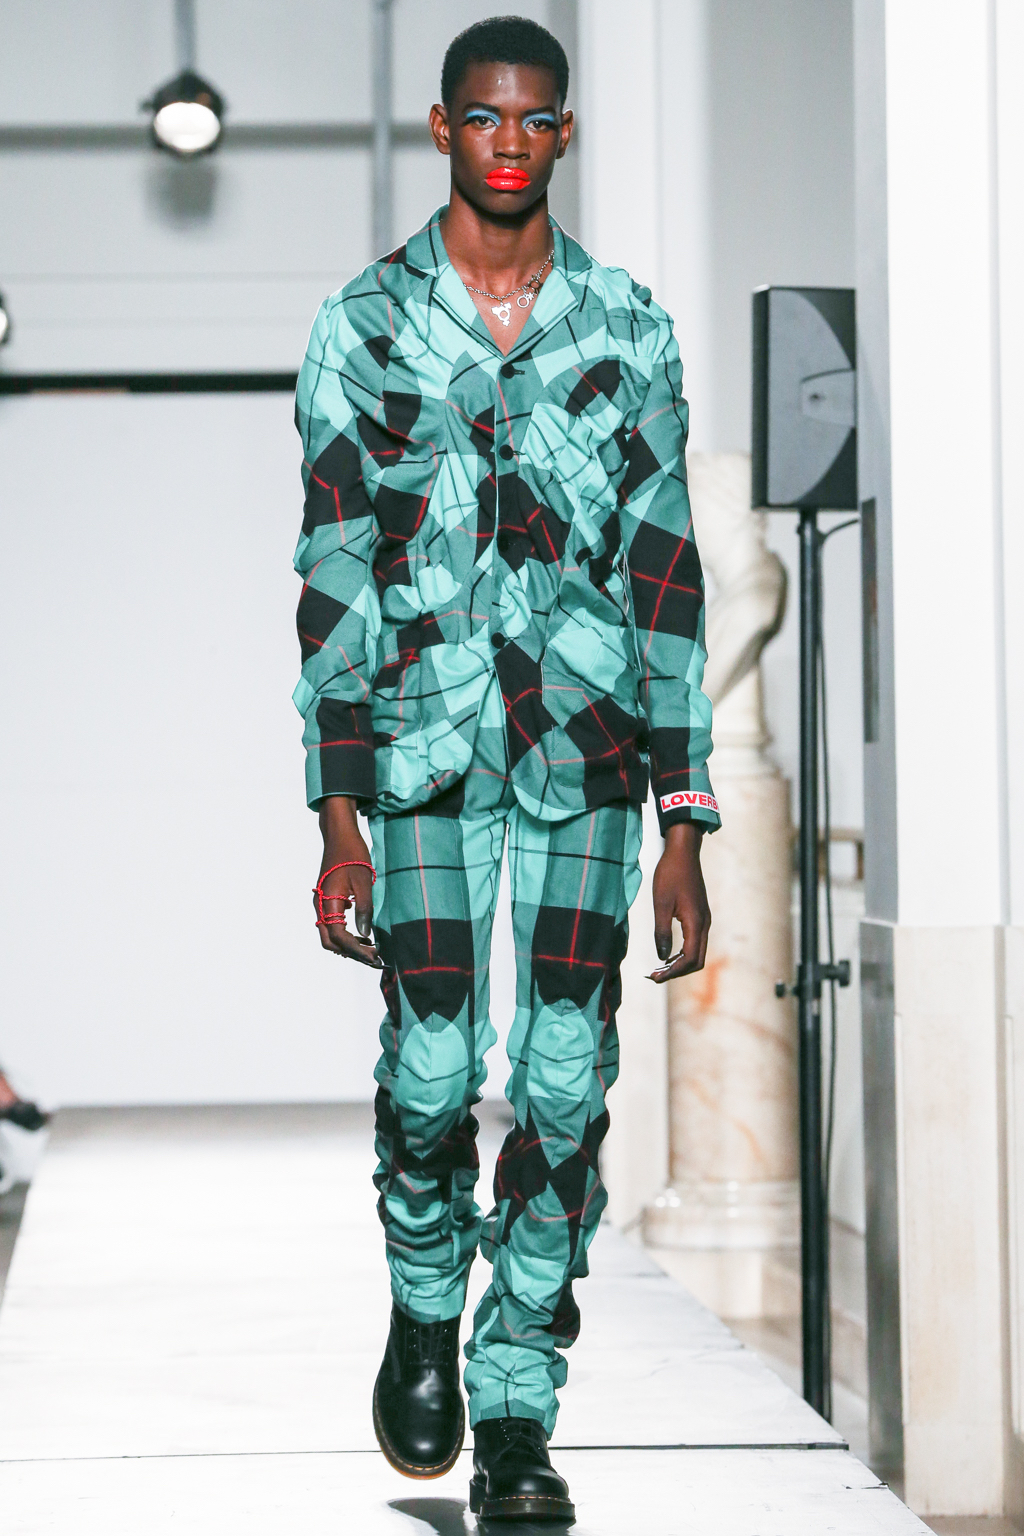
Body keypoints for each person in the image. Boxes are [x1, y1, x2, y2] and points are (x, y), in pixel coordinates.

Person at [292, 16, 719, 1524]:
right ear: (443, 127)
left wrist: (685, 820)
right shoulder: (364, 324)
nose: (512, 143)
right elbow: (334, 567)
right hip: (418, 752)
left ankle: (519, 1402)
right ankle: (425, 1296)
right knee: (429, 1071)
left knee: (562, 1084)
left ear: (566, 134)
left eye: (537, 121)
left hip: (587, 755)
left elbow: (667, 575)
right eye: (486, 117)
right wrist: (336, 811)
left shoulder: (629, 328)